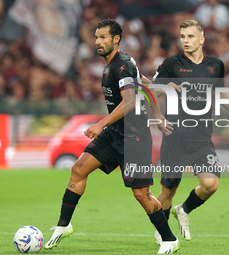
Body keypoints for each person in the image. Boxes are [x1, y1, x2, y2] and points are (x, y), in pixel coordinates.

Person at [44, 18, 180, 254]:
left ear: (115, 39)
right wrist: (158, 114)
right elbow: (145, 86)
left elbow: (128, 102)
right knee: (78, 169)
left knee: (141, 194)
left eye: (103, 37)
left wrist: (101, 123)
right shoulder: (113, 64)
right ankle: (63, 226)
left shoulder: (123, 64)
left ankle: (169, 239)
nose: (98, 42)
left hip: (135, 138)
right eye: (96, 37)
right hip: (115, 134)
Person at [151, 20, 229, 242]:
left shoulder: (216, 65)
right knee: (168, 191)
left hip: (201, 137)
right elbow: (150, 90)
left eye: (190, 36)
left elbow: (220, 91)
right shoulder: (171, 64)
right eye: (182, 36)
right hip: (175, 136)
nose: (185, 41)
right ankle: (163, 234)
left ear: (201, 39)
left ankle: (183, 210)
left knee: (211, 184)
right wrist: (162, 104)